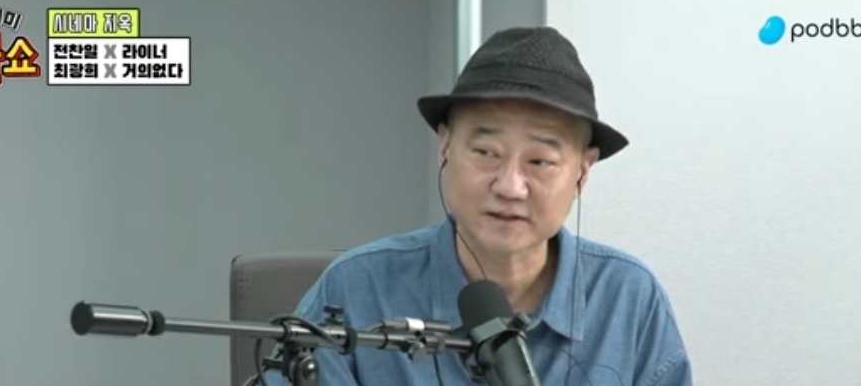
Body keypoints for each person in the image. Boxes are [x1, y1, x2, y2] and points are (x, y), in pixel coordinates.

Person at [259, 27, 692, 386]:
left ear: (583, 169)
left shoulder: (627, 299)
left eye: (540, 161)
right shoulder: (356, 289)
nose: (510, 186)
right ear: (445, 146)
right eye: (486, 153)